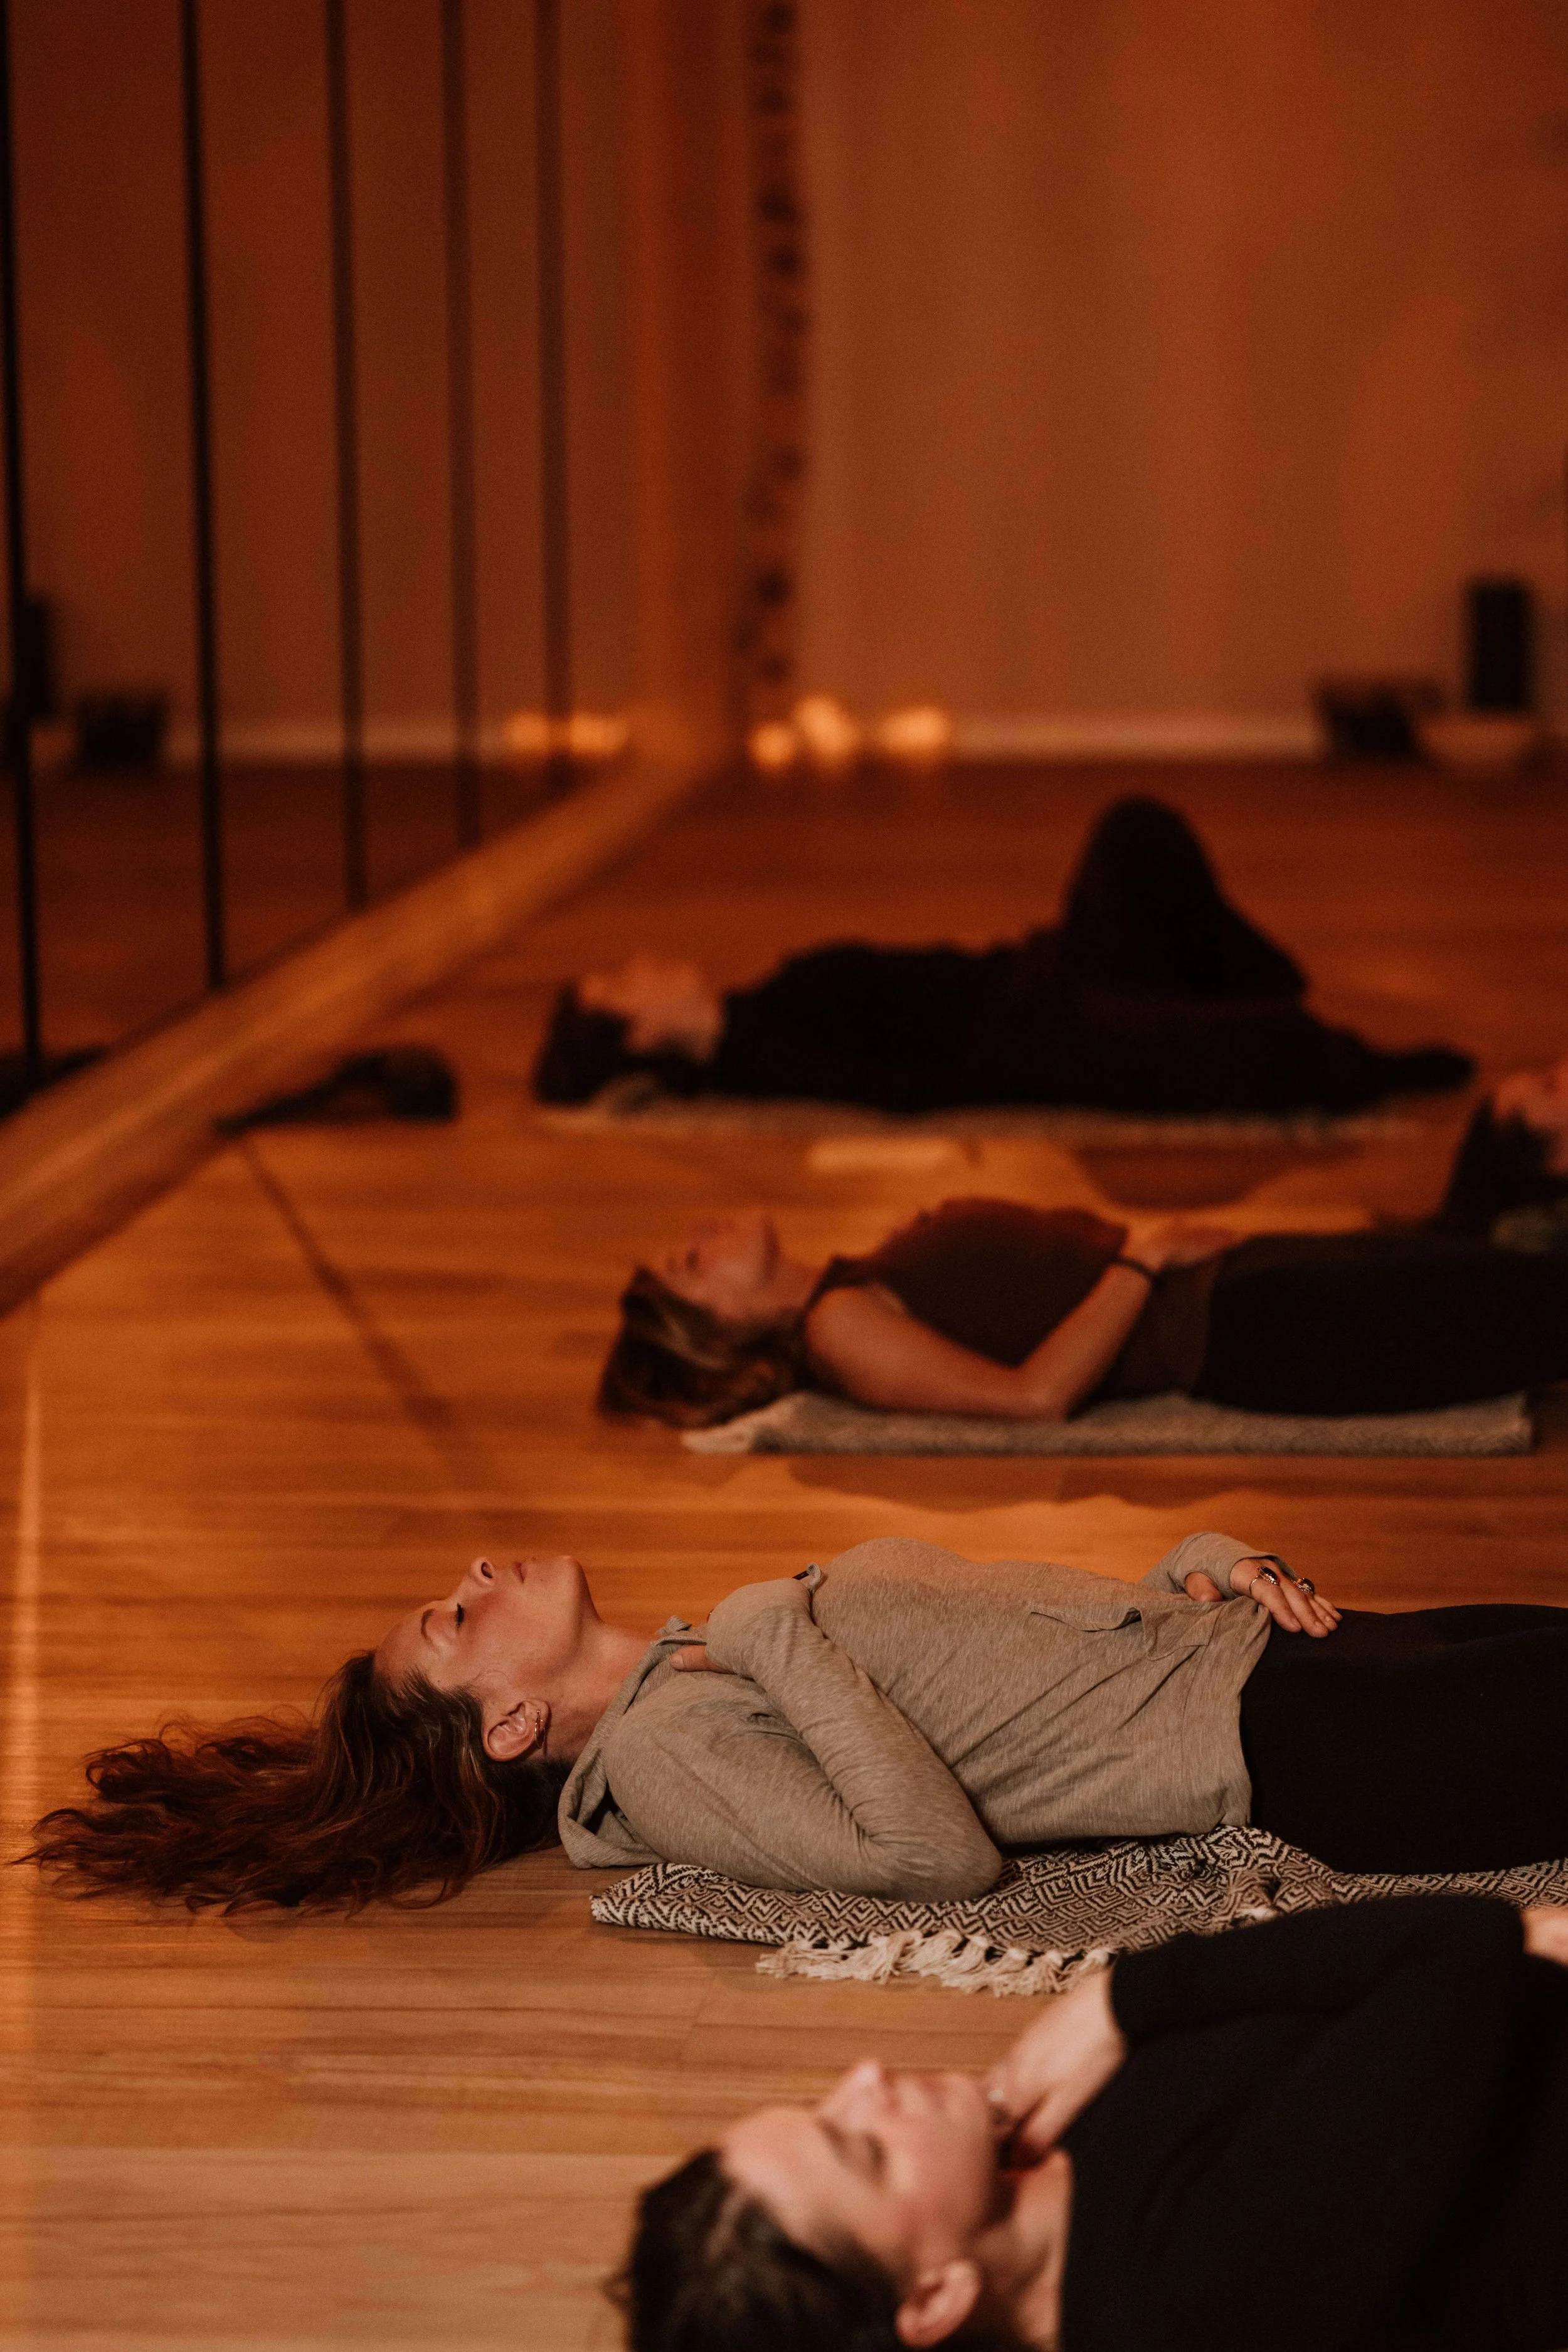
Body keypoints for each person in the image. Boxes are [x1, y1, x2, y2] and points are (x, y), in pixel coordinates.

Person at [24, 1528, 1568, 1910]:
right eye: (456, 1617)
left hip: (1281, 1648)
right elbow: (928, 1860)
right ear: (504, 1725)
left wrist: (1191, 1559)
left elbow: (1009, 1637)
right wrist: (775, 1631)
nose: (480, 1571)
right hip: (1298, 1750)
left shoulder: (704, 1648)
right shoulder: (661, 1758)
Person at [618, 1894, 1568, 2352]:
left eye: (825, 2102)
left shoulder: (1029, 2155)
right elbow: (1454, 1952)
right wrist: (1120, 1996)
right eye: (863, 2146)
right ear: (936, 2298)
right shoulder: (1202, 2293)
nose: (866, 2076)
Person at [598, 1056, 1568, 1427]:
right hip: (1251, 1332)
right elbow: (1035, 1397)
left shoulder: (855, 1281)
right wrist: (1140, 1257)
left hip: (1249, 1284)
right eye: (691, 1263)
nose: (700, 1233)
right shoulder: (837, 1329)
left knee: (1503, 1271)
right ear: (719, 1324)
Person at [532, 797, 1472, 1115]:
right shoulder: (756, 1053)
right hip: (1047, 1026)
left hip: (1042, 975)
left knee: (1138, 841)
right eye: (623, 978)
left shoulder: (765, 1002)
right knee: (1240, 1036)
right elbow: (907, 1096)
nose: (647, 956)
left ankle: (1274, 1001)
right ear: (643, 1026)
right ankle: (1317, 1037)